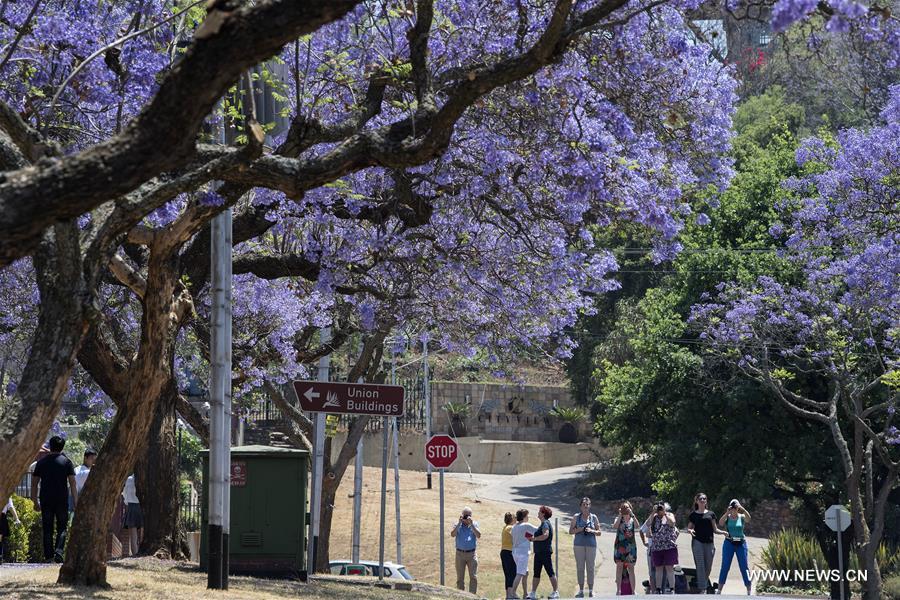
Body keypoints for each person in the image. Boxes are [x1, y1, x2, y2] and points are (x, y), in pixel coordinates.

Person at [31, 436, 77, 562]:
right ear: (62, 447)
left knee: (47, 528)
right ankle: (59, 552)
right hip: (62, 499)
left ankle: (49, 556)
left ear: (50, 446)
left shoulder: (41, 463)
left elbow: (34, 483)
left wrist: (34, 500)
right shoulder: (67, 462)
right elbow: (73, 483)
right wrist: (76, 501)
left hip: (46, 499)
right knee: (62, 527)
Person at [689, 492, 725, 593]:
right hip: (697, 542)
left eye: (704, 499)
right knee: (700, 565)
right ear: (696, 501)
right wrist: (690, 530)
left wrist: (723, 532)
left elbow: (715, 529)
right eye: (700, 499)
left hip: (709, 542)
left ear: (706, 501)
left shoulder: (711, 514)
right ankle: (703, 588)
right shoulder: (693, 515)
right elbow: (689, 527)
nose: (702, 500)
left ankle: (703, 584)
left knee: (708, 566)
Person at [717, 499, 752, 595]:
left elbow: (749, 519)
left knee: (744, 566)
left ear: (738, 508)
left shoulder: (741, 517)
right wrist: (726, 513)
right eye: (732, 508)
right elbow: (720, 523)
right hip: (729, 542)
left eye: (736, 508)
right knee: (725, 566)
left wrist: (743, 509)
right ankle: (719, 589)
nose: (734, 509)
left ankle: (749, 589)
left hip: (741, 543)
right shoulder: (727, 517)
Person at [643, 501, 678, 594]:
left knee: (669, 567)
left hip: (669, 546)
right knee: (658, 568)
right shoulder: (654, 517)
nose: (659, 509)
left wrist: (664, 513)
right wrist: (653, 512)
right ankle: (658, 589)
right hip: (657, 547)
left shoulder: (669, 514)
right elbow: (648, 524)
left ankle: (672, 589)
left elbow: (672, 523)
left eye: (661, 507)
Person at [569, 496, 601, 597]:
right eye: (584, 505)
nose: (586, 506)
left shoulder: (593, 517)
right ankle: (581, 590)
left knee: (591, 568)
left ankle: (591, 590)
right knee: (580, 568)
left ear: (590, 506)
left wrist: (591, 531)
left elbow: (599, 532)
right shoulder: (576, 517)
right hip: (579, 545)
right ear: (580, 507)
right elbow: (570, 531)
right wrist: (580, 529)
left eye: (587, 505)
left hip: (591, 545)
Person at [528, 505, 559, 600]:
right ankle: (533, 593)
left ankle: (555, 592)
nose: (538, 513)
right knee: (536, 573)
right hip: (539, 552)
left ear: (543, 513)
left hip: (544, 552)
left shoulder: (545, 523)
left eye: (539, 511)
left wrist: (534, 538)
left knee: (550, 572)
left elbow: (546, 535)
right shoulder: (543, 524)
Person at [450, 505, 480, 594]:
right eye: (465, 515)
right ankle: (461, 596)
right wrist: (459, 523)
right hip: (460, 554)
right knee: (460, 578)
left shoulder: (474, 524)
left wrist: (472, 525)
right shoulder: (457, 524)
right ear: (462, 515)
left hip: (472, 554)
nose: (467, 517)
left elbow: (478, 535)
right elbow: (452, 534)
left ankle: (472, 596)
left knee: (473, 577)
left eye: (469, 515)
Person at [612, 501, 638, 596]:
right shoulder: (618, 518)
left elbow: (637, 526)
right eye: (623, 507)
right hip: (620, 546)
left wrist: (632, 514)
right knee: (619, 567)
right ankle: (618, 590)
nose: (625, 509)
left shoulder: (632, 519)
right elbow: (614, 526)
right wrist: (620, 515)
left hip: (630, 547)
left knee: (631, 568)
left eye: (627, 507)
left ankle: (633, 590)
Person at [511, 509, 537, 599]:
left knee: (525, 572)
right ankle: (513, 592)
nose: (528, 517)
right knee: (520, 573)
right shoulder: (526, 525)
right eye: (527, 515)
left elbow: (525, 536)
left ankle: (525, 594)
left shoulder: (514, 526)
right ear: (524, 517)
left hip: (515, 553)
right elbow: (538, 530)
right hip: (522, 553)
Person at [122, 474, 144, 557]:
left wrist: (127, 503)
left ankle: (135, 555)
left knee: (133, 537)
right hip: (142, 507)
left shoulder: (129, 479)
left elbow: (124, 494)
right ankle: (141, 555)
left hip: (131, 507)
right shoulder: (145, 477)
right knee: (142, 535)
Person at [501, 512, 517, 599]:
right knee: (512, 574)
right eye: (514, 517)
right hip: (509, 553)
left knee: (508, 575)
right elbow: (519, 535)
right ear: (511, 519)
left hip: (505, 552)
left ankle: (508, 595)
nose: (516, 519)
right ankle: (510, 595)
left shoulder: (505, 527)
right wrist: (531, 537)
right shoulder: (510, 528)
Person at [1, 497, 22, 564]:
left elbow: (10, 506)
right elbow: (10, 507)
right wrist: (16, 519)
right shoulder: (7, 493)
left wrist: (16, 519)